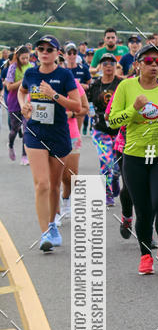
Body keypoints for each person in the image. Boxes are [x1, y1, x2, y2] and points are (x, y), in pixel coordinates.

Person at [107, 43, 158, 274]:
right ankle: (146, 255)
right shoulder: (126, 87)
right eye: (148, 61)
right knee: (144, 209)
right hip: (134, 157)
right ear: (137, 64)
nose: (153, 65)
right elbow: (112, 121)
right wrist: (133, 110)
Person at [18, 35, 81, 251]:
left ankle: (53, 225)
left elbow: (78, 106)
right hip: (35, 132)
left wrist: (54, 95)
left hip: (59, 134)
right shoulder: (30, 73)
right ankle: (45, 233)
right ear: (36, 52)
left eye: (49, 49)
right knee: (42, 183)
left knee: (54, 185)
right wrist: (23, 105)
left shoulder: (64, 75)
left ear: (57, 53)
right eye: (41, 48)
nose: (44, 52)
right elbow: (22, 91)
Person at [88, 54, 121, 205]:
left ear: (116, 66)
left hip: (120, 130)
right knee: (106, 160)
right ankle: (107, 193)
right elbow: (87, 102)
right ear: (100, 66)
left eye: (111, 63)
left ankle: (115, 178)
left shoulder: (122, 84)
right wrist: (90, 112)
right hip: (100, 130)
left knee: (118, 165)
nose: (108, 66)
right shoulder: (95, 85)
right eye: (105, 63)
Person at [55, 77, 88, 224]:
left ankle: (66, 199)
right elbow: (29, 102)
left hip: (71, 134)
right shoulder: (40, 81)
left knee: (71, 176)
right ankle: (55, 213)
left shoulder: (71, 82)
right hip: (50, 135)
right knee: (54, 175)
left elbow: (85, 108)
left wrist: (71, 114)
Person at [5, 46, 32, 164]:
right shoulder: (13, 67)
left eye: (27, 58)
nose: (25, 60)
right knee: (15, 129)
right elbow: (9, 86)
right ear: (18, 57)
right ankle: (10, 144)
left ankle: (24, 156)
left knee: (26, 130)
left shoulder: (31, 67)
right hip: (14, 101)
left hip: (27, 101)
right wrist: (23, 81)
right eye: (23, 58)